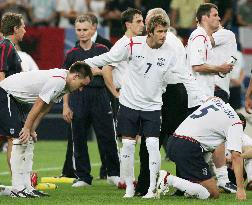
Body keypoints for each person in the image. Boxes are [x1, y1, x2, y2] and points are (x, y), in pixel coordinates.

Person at [84, 14, 177, 199]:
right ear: (150, 32)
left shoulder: (170, 51)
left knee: (152, 145)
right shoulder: (132, 44)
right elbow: (108, 58)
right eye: (160, 31)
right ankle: (129, 187)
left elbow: (169, 78)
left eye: (165, 31)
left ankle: (152, 190)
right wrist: (84, 63)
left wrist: (157, 92)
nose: (164, 35)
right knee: (127, 146)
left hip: (152, 106)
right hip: (129, 104)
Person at [133, 8, 206, 196]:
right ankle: (183, 186)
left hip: (168, 93)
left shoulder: (165, 42)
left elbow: (166, 72)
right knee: (178, 140)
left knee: (150, 140)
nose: (143, 26)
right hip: (177, 93)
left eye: (146, 22)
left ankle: (144, 186)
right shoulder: (172, 39)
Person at [0, 61, 92, 197]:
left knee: (27, 139)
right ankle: (17, 188)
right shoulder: (59, 81)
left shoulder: (65, 86)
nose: (81, 89)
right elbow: (38, 104)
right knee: (18, 138)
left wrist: (31, 129)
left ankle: (26, 187)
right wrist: (26, 127)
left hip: (15, 99)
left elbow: (45, 109)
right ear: (75, 76)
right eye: (82, 85)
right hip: (5, 93)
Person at [61, 15, 120, 188]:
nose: (82, 33)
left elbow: (112, 73)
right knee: (78, 138)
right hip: (78, 98)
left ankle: (113, 173)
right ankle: (83, 177)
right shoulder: (71, 54)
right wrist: (65, 105)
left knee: (107, 136)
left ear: (93, 29)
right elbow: (65, 82)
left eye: (85, 29)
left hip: (100, 96)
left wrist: (99, 72)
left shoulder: (102, 49)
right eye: (78, 30)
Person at [187, 3, 237, 193]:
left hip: (215, 89)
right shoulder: (201, 36)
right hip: (207, 90)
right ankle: (209, 177)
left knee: (213, 135)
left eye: (218, 15)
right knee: (209, 136)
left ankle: (207, 177)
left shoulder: (225, 34)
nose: (218, 18)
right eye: (215, 15)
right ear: (206, 17)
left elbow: (208, 41)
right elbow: (198, 59)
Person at [158, 97, 246, 200]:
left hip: (174, 140)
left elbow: (210, 99)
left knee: (202, 186)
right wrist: (240, 188)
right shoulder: (236, 124)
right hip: (188, 147)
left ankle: (190, 189)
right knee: (213, 194)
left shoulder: (218, 101)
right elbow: (236, 156)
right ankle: (167, 178)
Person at [0, 12, 25, 175]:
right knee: (13, 138)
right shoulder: (5, 45)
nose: (25, 30)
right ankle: (18, 182)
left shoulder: (9, 46)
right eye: (23, 27)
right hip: (4, 99)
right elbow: (0, 72)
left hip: (7, 100)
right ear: (15, 28)